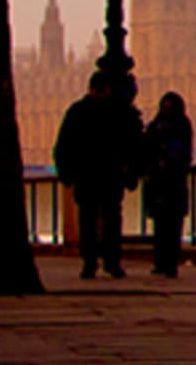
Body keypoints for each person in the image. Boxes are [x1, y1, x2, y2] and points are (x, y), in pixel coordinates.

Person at [53, 72, 144, 280]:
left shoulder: (84, 112)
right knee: (90, 220)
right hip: (90, 175)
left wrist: (131, 172)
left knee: (109, 219)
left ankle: (109, 261)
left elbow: (133, 146)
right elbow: (65, 145)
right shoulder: (86, 112)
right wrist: (66, 172)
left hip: (107, 175)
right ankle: (91, 261)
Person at [142, 91, 193, 278]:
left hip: (169, 182)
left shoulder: (174, 126)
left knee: (169, 225)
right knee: (164, 225)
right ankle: (163, 262)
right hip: (163, 182)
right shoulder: (168, 125)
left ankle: (167, 262)